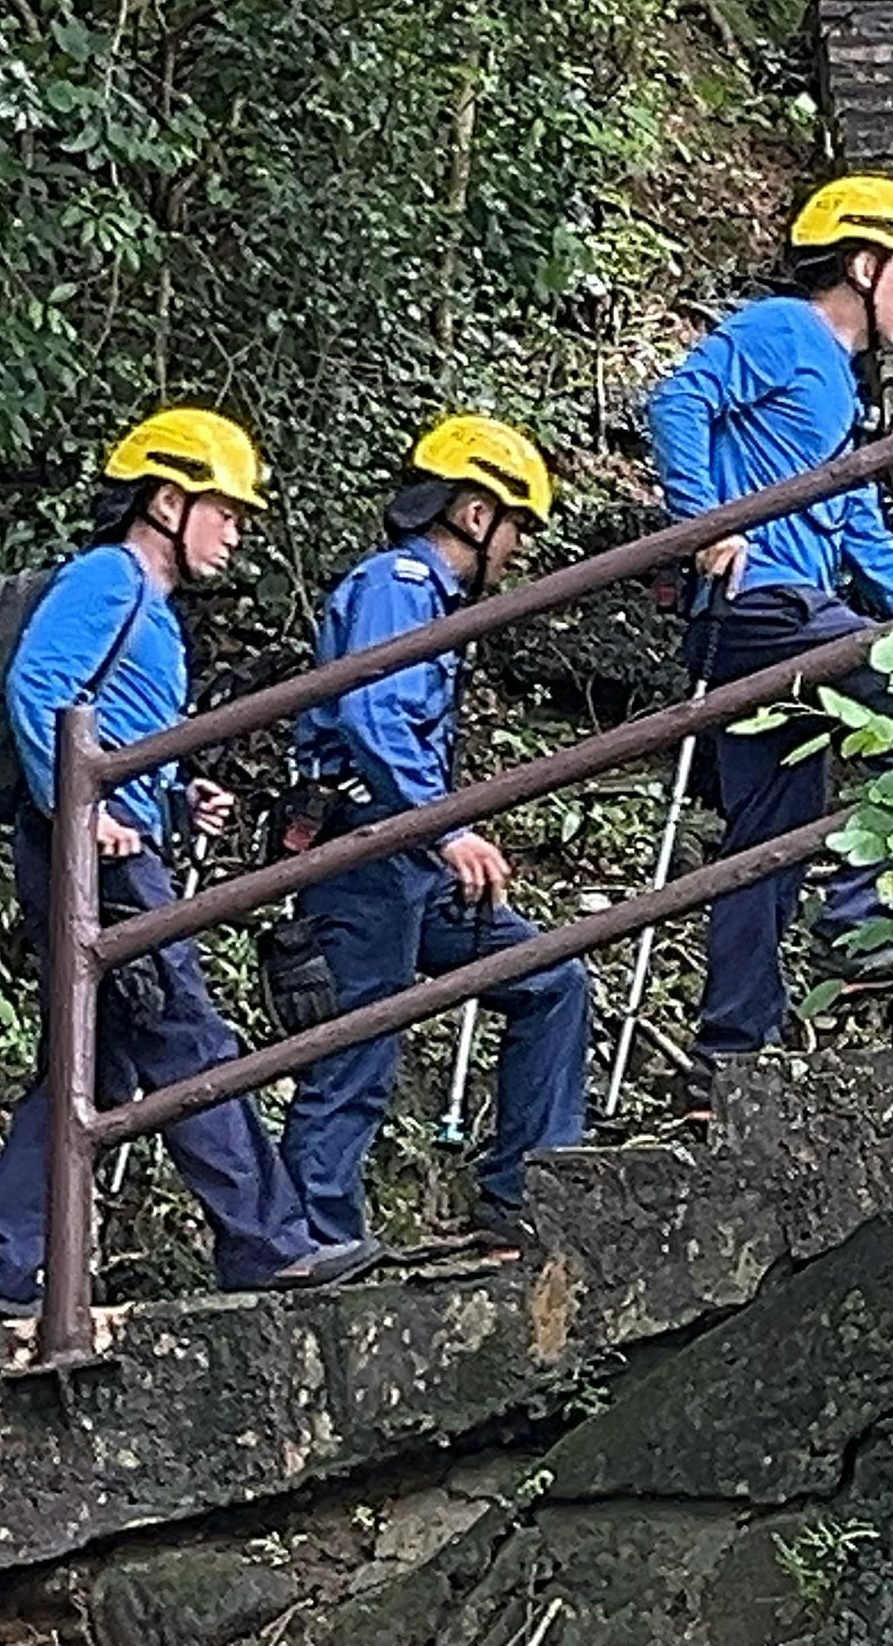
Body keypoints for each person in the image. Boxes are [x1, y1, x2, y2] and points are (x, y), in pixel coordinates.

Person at [0, 409, 378, 1320]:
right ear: (169, 501)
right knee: (187, 1036)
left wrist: (176, 798)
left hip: (107, 843)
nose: (236, 531)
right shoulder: (109, 577)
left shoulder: (147, 603)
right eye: (225, 510)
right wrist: (84, 809)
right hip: (95, 858)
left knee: (90, 1071)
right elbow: (42, 689)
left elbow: (115, 716)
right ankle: (269, 1246)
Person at [641, 176, 893, 1084]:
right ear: (864, 265)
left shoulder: (842, 396)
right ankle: (860, 923)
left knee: (772, 831)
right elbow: (677, 403)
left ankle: (730, 1046)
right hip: (763, 605)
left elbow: (861, 528)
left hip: (788, 616)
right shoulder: (784, 331)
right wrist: (707, 525)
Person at [271, 416, 589, 1254]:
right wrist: (450, 831)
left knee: (549, 977)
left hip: (408, 851)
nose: (517, 548)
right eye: (516, 527)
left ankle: (525, 1190)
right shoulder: (397, 584)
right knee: (354, 1054)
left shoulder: (424, 596)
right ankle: (310, 1243)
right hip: (366, 849)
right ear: (476, 515)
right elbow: (373, 712)